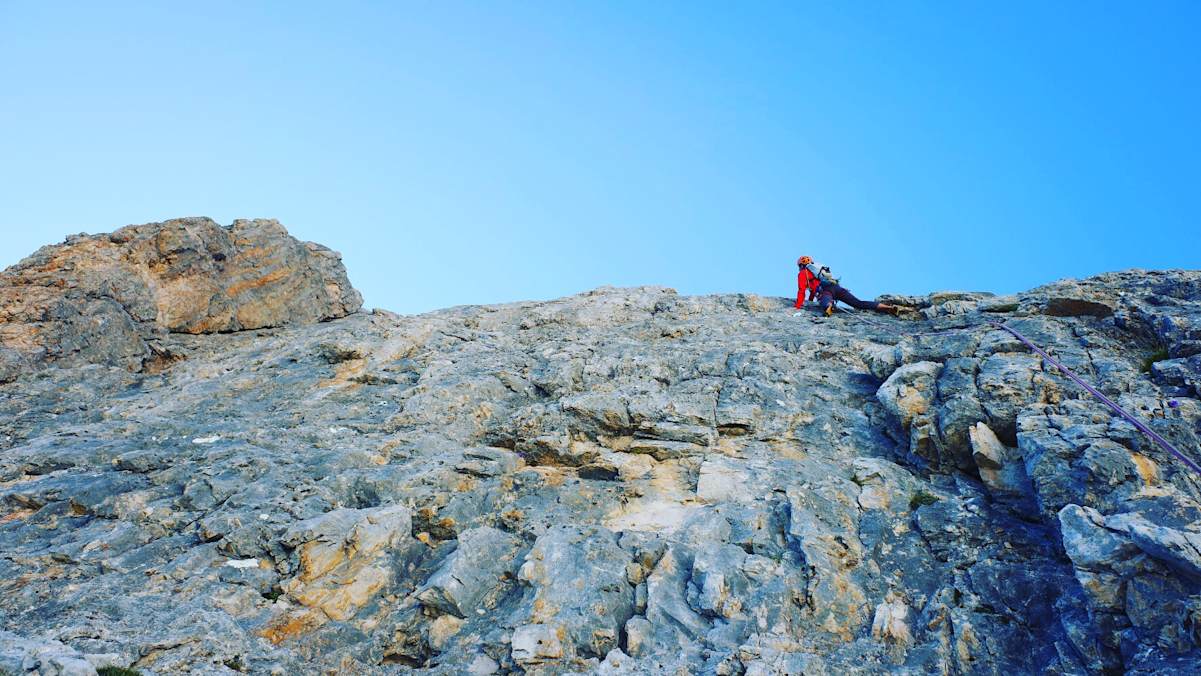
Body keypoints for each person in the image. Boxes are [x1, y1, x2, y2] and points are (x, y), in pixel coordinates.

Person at [795, 256, 898, 317]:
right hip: (837, 287)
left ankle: (829, 306)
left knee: (825, 302)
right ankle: (888, 307)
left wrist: (798, 306)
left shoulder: (803, 273)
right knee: (858, 303)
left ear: (801, 266)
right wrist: (810, 300)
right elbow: (813, 291)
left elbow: (801, 290)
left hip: (826, 292)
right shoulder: (818, 271)